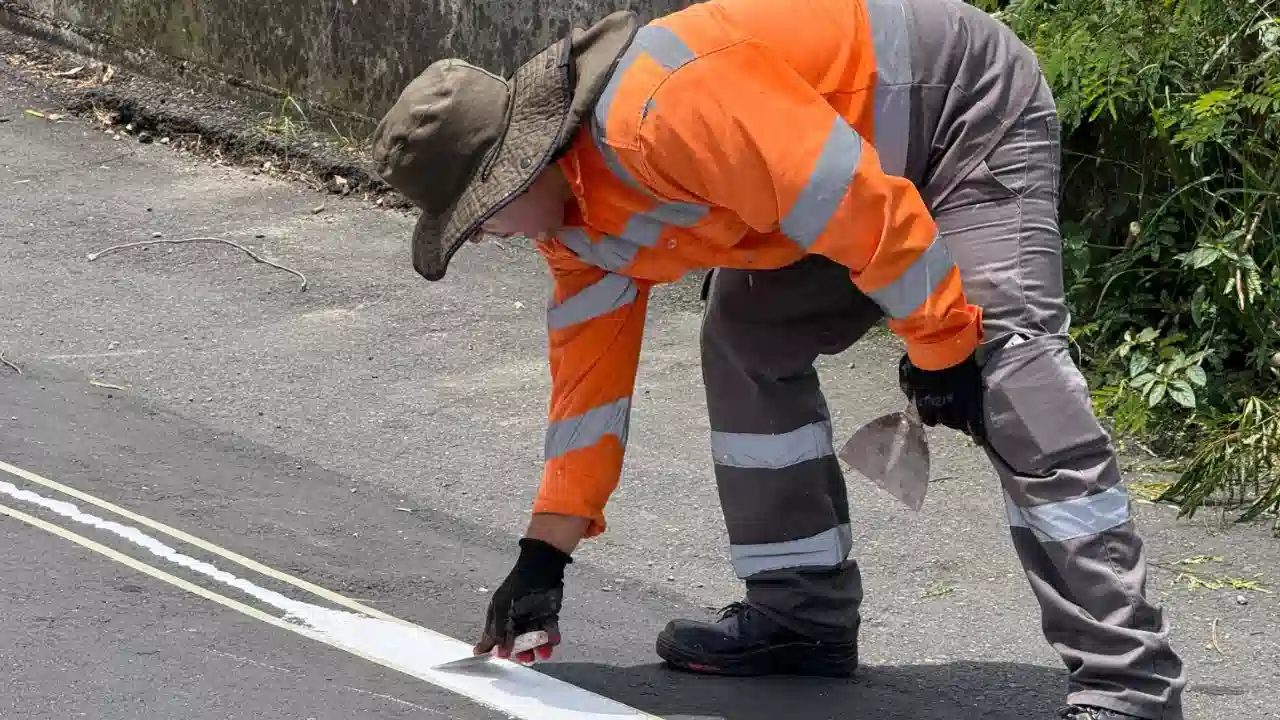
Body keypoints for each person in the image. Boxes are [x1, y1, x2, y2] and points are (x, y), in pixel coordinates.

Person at [369, 1, 1187, 718]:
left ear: (523, 163)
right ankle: (802, 619)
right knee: (745, 341)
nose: (482, 235)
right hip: (844, 183)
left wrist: (942, 347)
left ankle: (1127, 683)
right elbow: (588, 388)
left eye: (478, 215)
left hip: (958, 113)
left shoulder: (668, 109)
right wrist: (544, 552)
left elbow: (865, 208)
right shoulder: (572, 225)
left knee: (1011, 373)